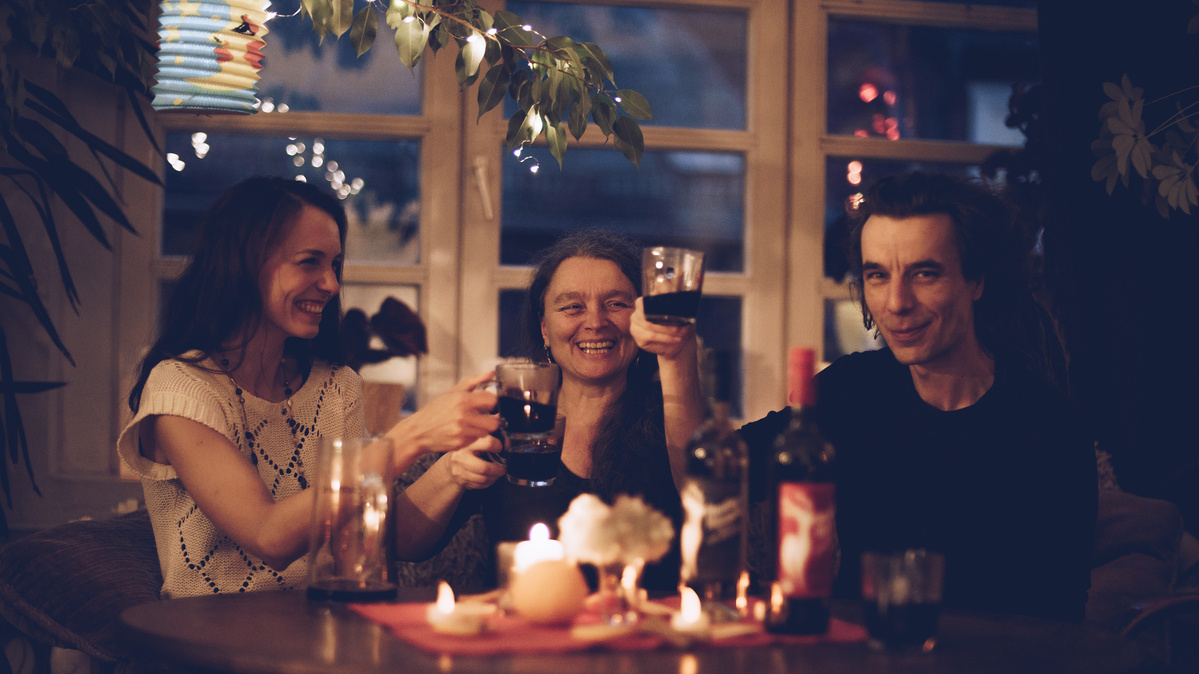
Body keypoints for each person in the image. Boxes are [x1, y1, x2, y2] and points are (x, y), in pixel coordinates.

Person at [737, 172, 1097, 622]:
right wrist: (676, 361)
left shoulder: (1048, 428)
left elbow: (1059, 620)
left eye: (924, 274)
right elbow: (719, 467)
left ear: (977, 280)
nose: (896, 302)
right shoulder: (852, 390)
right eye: (877, 276)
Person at [117, 176, 501, 598]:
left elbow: (390, 539)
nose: (332, 284)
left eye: (334, 264)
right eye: (309, 262)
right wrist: (413, 435)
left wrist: (452, 467)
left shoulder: (334, 388)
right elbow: (269, 537)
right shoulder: (181, 389)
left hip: (321, 633)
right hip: (208, 645)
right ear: (245, 263)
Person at [392, 229, 703, 590]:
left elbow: (702, 491)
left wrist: (677, 354)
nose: (595, 322)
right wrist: (451, 471)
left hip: (641, 631)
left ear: (641, 321)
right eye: (572, 306)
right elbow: (400, 543)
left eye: (616, 304)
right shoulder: (510, 419)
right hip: (525, 634)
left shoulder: (673, 419)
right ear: (544, 329)